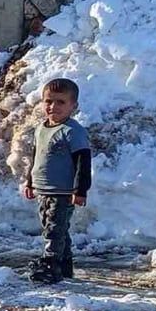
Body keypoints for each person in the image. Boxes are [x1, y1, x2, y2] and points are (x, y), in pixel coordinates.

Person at [22, 78, 91, 284]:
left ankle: (50, 264)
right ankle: (64, 265)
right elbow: (36, 157)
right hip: (43, 189)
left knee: (54, 229)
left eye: (61, 102)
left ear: (73, 106)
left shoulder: (73, 132)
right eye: (49, 101)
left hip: (63, 191)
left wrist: (80, 190)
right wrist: (30, 181)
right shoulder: (41, 128)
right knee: (55, 228)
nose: (53, 106)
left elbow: (83, 162)